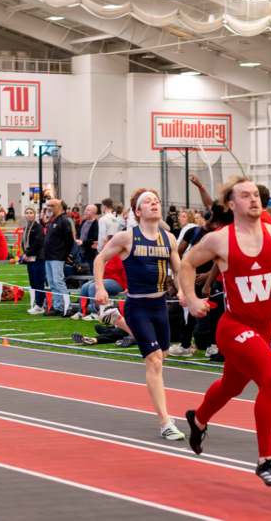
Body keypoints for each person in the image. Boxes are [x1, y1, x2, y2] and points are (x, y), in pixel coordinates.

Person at [180, 176, 271, 487]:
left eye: (256, 195)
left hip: (262, 328)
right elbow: (187, 264)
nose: (254, 200)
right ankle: (265, 461)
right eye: (245, 195)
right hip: (234, 327)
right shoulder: (220, 239)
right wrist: (191, 299)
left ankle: (198, 419)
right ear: (232, 204)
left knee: (232, 385)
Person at [94, 188, 185, 441]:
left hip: (160, 307)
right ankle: (165, 422)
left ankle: (118, 321)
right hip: (138, 305)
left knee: (162, 354)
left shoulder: (169, 238)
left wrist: (183, 292)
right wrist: (100, 287)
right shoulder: (127, 238)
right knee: (154, 360)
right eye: (148, 202)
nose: (154, 204)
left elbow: (178, 271)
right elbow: (100, 259)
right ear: (138, 211)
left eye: (156, 201)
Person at [43, 199, 74, 316]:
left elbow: (69, 241)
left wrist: (66, 255)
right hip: (49, 256)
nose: (49, 207)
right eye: (48, 205)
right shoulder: (53, 220)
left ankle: (67, 307)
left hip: (57, 257)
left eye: (52, 205)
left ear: (59, 206)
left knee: (58, 282)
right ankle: (58, 306)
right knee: (52, 282)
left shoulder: (64, 221)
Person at [78, 204, 99, 272]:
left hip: (90, 253)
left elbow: (95, 239)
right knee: (81, 272)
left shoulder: (96, 224)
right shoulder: (84, 222)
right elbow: (79, 234)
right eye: (85, 209)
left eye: (88, 210)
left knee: (90, 272)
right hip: (80, 252)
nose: (85, 211)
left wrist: (83, 242)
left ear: (93, 213)